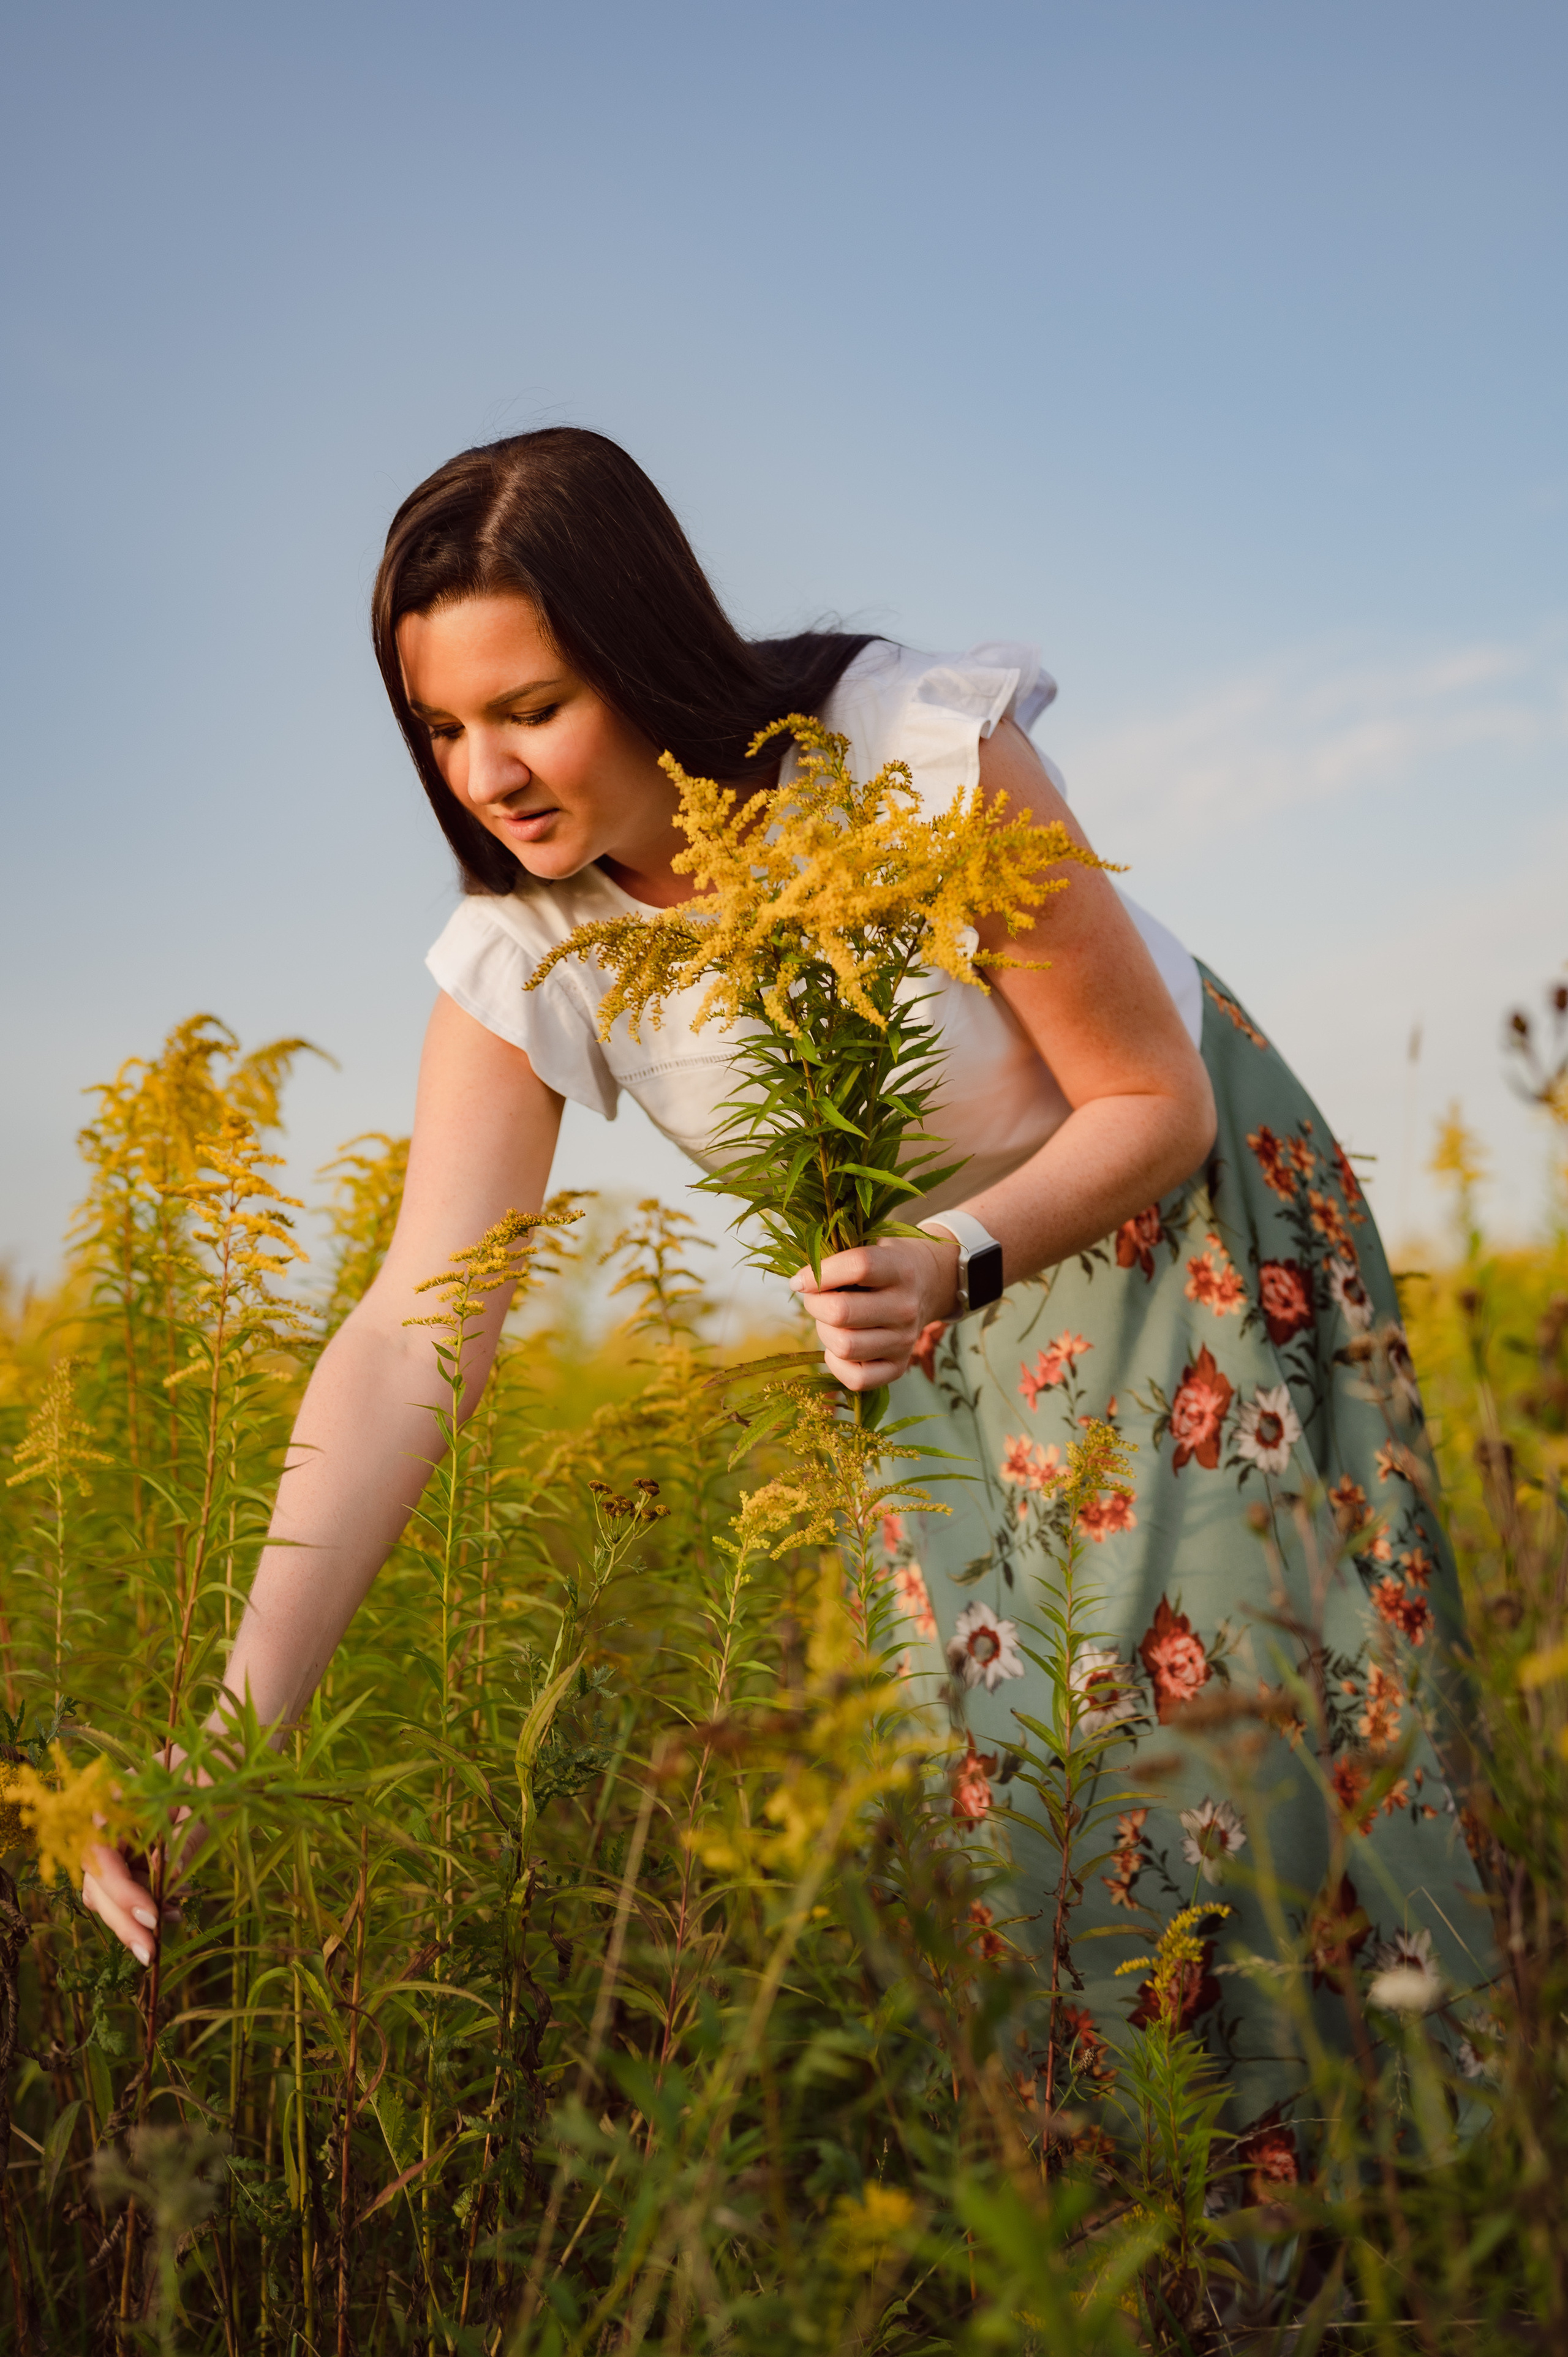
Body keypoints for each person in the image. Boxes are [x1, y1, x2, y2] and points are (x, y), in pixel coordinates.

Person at [85, 428, 1485, 2139]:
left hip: (1182, 1240)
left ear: (642, 652)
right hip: (929, 1337)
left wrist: (954, 1257)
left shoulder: (909, 754)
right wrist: (234, 1740)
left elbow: (1153, 1099)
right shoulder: (528, 942)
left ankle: (1389, 2248)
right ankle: (1163, 2282)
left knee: (1235, 1785)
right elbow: (408, 1332)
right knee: (1029, 1839)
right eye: (442, 729)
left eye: (530, 708)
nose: (487, 774)